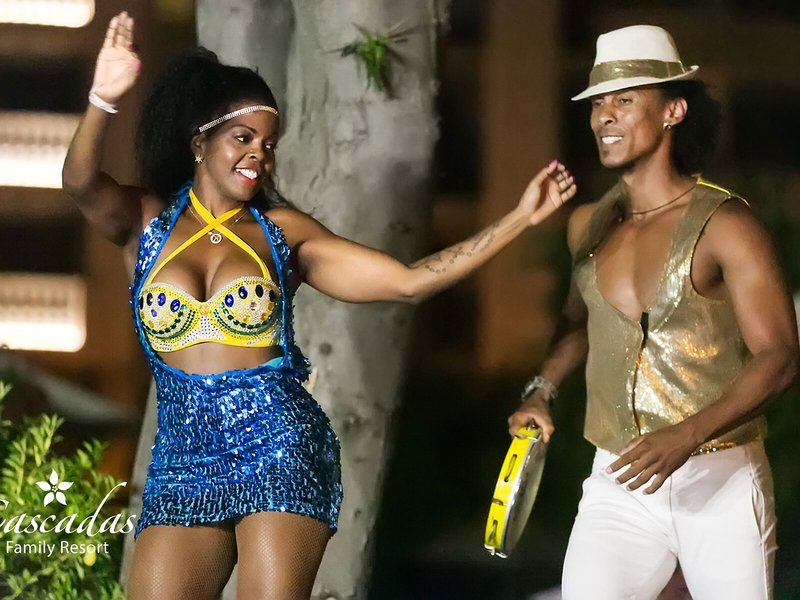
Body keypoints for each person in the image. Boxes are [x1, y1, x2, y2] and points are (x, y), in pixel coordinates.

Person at [62, 12, 576, 600]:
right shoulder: (146, 222)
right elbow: (79, 182)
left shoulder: (283, 234)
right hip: (181, 457)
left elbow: (408, 281)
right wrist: (102, 98)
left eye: (268, 144)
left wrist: (518, 218)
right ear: (200, 142)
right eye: (243, 138)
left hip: (277, 444)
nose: (259, 155)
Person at [508, 25, 798, 600]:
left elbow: (782, 356)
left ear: (673, 111)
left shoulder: (727, 225)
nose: (604, 117)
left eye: (623, 100)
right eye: (597, 104)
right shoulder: (588, 224)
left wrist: (686, 435)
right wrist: (542, 389)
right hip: (618, 481)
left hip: (717, 478)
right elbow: (579, 324)